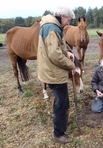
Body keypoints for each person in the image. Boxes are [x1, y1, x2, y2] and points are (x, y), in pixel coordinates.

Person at [37, 7, 76, 144]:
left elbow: (57, 48)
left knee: (61, 101)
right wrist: (70, 65)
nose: (69, 23)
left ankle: (61, 122)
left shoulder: (51, 26)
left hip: (51, 70)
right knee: (62, 103)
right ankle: (58, 134)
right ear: (61, 16)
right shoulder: (52, 29)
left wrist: (68, 53)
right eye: (68, 20)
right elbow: (54, 54)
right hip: (53, 73)